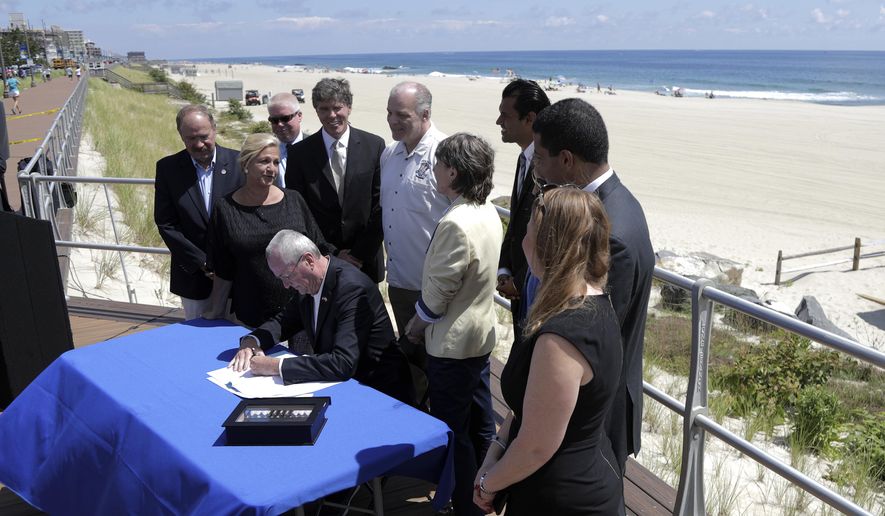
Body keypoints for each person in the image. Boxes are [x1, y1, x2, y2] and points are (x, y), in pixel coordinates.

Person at [473, 188, 624, 515]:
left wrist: (489, 483)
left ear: (548, 246)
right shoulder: (595, 299)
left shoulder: (562, 338)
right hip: (583, 472)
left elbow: (537, 446)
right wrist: (496, 451)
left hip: (561, 496)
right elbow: (535, 406)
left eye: (529, 232)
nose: (523, 240)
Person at [530, 98, 654, 472]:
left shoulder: (608, 229)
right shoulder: (616, 202)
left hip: (597, 415)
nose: (535, 166)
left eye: (540, 157)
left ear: (566, 159)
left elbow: (594, 334)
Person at [404, 133, 503, 516]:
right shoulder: (488, 211)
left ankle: (463, 504)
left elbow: (438, 294)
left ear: (454, 172)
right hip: (481, 335)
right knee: (482, 426)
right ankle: (488, 495)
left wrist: (414, 327)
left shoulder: (456, 222)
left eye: (438, 166)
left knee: (454, 430)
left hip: (452, 344)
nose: (434, 173)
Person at [229, 230, 414, 405]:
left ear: (308, 261)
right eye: (281, 279)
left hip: (380, 393)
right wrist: (252, 341)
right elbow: (283, 321)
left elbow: (342, 363)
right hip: (346, 387)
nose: (286, 285)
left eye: (287, 276)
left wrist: (276, 366)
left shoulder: (352, 289)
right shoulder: (308, 284)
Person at [204, 133, 331, 328]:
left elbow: (319, 251)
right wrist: (215, 311)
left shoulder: (294, 200)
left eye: (276, 162)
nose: (272, 169)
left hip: (302, 313)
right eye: (264, 161)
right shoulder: (225, 208)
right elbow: (223, 268)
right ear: (246, 164)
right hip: (251, 315)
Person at [286, 78, 385, 283]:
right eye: (324, 109)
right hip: (321, 260)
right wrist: (331, 253)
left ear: (349, 107)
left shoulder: (374, 145)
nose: (332, 115)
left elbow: (381, 205)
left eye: (337, 108)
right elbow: (298, 211)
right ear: (316, 111)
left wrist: (357, 255)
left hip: (365, 260)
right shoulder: (299, 154)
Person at [154, 105, 244, 320]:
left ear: (214, 129)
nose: (198, 144)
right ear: (181, 136)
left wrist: (227, 263)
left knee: (237, 343)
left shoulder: (240, 163)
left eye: (204, 136)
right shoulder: (168, 168)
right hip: (193, 277)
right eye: (190, 138)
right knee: (197, 342)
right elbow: (166, 223)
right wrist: (202, 262)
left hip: (238, 276)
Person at [380, 81, 449, 343]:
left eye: (402, 115)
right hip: (398, 283)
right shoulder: (389, 154)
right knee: (412, 366)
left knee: (439, 367)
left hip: (434, 289)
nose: (392, 121)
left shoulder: (444, 154)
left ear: (425, 114)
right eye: (389, 112)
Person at [494, 79, 550, 342]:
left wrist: (520, 279)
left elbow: (547, 236)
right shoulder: (524, 158)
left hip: (534, 292)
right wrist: (505, 270)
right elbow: (516, 223)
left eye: (505, 115)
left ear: (530, 118)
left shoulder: (550, 169)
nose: (498, 122)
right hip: (517, 288)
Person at [265, 92, 304, 188]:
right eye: (274, 120)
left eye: (285, 118)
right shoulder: (265, 151)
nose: (280, 124)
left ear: (299, 116)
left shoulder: (317, 147)